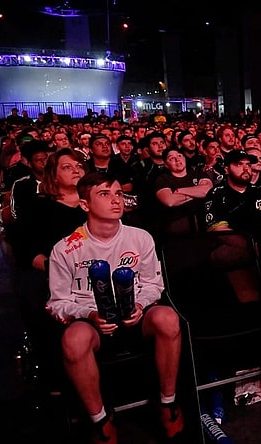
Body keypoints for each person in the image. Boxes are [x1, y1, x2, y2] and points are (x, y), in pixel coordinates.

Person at [46, 172, 183, 443]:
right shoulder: (66, 248)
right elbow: (57, 303)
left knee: (168, 318)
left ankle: (168, 404)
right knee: (73, 340)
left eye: (119, 194)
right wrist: (89, 314)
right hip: (92, 322)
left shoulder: (140, 238)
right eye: (104, 194)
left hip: (136, 315)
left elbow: (154, 284)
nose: (115, 200)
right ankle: (100, 421)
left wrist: (141, 305)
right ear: (85, 205)